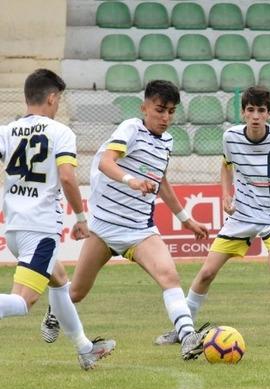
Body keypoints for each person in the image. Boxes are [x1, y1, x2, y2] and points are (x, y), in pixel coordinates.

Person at [39, 80, 211, 360]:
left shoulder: (167, 141)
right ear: (144, 108)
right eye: (159, 110)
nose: (165, 117)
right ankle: (54, 310)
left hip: (140, 230)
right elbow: (107, 161)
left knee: (169, 276)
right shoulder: (131, 128)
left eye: (171, 111)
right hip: (105, 229)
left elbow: (161, 180)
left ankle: (188, 337)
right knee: (78, 292)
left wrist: (186, 219)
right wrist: (130, 180)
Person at [154, 85, 270, 346]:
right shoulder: (231, 137)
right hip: (241, 217)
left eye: (261, 110)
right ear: (243, 113)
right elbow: (225, 165)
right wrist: (225, 194)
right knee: (206, 273)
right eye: (250, 110)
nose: (255, 116)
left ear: (269, 114)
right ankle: (183, 331)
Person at [0, 68, 115, 369]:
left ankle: (85, 348)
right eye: (59, 99)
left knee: (60, 280)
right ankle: (85, 348)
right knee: (24, 302)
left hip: (14, 228)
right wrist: (80, 217)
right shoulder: (60, 132)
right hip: (40, 230)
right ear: (52, 98)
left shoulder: (6, 131)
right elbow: (67, 177)